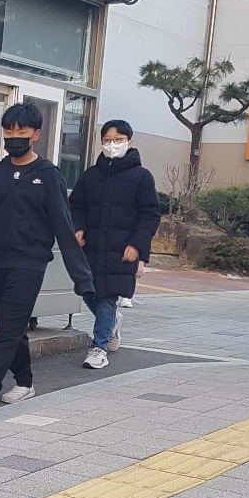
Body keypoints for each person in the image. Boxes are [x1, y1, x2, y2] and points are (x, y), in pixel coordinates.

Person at [0, 102, 94, 405]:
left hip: (30, 264)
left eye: (21, 131)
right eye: (8, 131)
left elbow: (64, 227)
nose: (14, 137)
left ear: (36, 134)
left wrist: (83, 279)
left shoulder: (48, 176)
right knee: (11, 326)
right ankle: (25, 382)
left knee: (9, 328)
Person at [68, 119, 160, 369]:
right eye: (107, 140)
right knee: (88, 292)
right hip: (91, 247)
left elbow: (150, 214)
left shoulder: (141, 177)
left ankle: (99, 347)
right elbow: (76, 205)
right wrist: (78, 228)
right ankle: (112, 321)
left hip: (122, 250)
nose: (112, 145)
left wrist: (137, 245)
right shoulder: (91, 175)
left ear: (130, 142)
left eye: (118, 140)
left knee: (107, 297)